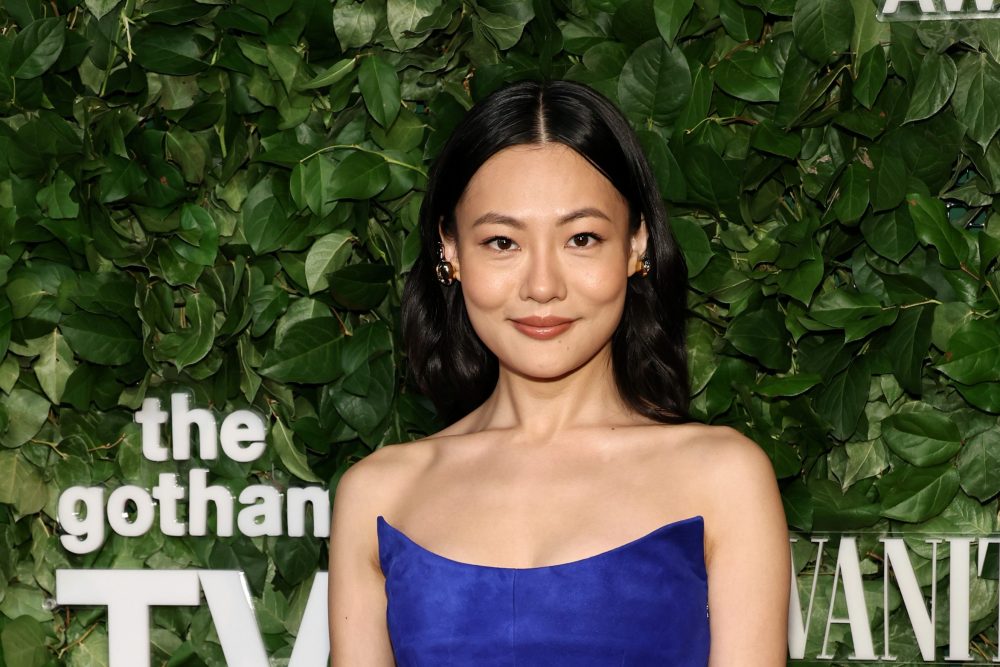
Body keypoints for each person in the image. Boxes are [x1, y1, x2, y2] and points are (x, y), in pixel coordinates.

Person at [328, 79, 789, 666]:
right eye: (502, 241)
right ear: (450, 251)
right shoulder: (380, 494)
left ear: (635, 244)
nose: (542, 286)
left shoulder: (723, 479)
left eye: (581, 238)